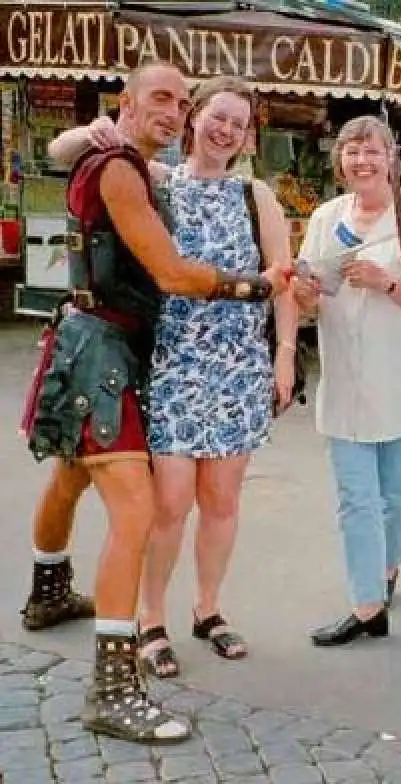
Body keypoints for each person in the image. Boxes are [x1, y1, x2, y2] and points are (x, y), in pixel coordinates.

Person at [22, 62, 288, 744]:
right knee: (143, 509)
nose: (173, 111)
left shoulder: (135, 166)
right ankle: (113, 685)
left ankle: (49, 591)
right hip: (107, 352)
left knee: (73, 477)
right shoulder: (123, 166)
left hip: (118, 350)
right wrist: (255, 287)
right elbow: (170, 274)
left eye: (178, 98)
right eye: (162, 100)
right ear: (131, 105)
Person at [294, 115, 401, 646]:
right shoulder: (325, 217)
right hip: (346, 379)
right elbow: (310, 294)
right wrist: (303, 295)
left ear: (393, 160)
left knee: (395, 494)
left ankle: (386, 574)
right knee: (356, 497)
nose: (361, 161)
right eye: (351, 151)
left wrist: (388, 282)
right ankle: (367, 606)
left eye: (372, 151)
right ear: (339, 160)